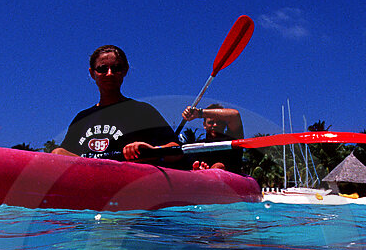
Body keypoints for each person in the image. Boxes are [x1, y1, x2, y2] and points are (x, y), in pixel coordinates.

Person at [52, 45, 181, 164]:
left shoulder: (143, 111)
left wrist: (153, 150)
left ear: (125, 71)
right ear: (92, 73)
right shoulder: (82, 118)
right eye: (102, 69)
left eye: (116, 68)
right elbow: (62, 157)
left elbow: (177, 150)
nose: (109, 74)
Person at [181, 103, 245, 172]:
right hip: (198, 180)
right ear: (204, 125)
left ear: (225, 124)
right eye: (211, 122)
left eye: (219, 122)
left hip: (229, 181)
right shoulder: (195, 147)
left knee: (219, 166)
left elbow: (235, 116)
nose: (215, 125)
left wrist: (199, 113)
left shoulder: (232, 141)